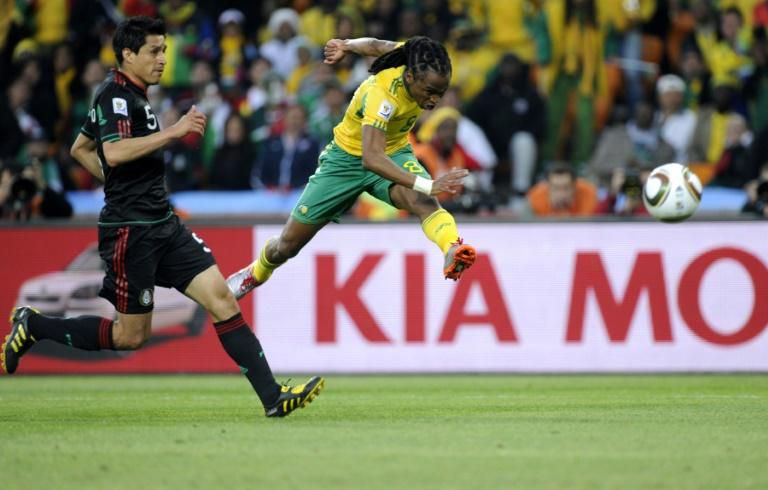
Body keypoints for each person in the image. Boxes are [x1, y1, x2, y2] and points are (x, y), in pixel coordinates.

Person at [1, 17, 323, 418]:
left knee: (221, 298)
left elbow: (80, 149)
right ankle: (35, 327)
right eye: (153, 51)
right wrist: (174, 132)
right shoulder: (114, 97)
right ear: (128, 54)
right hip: (130, 231)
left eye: (164, 51)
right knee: (130, 336)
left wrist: (116, 182)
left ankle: (273, 399)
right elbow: (114, 152)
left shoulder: (134, 96)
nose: (162, 59)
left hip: (162, 223)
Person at [227, 36, 477, 300]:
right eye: (429, 91)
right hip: (346, 161)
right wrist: (427, 183)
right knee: (287, 246)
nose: (434, 100)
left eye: (441, 91)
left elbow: (377, 45)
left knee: (425, 202)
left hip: (393, 151)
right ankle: (255, 273)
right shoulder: (384, 95)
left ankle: (452, 247)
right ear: (411, 77)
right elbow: (370, 158)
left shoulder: (412, 55)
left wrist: (347, 45)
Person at [527, 162, 598, 217]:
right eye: (556, 188)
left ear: (574, 187)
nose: (561, 193)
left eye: (566, 188)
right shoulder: (535, 197)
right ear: (548, 187)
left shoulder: (589, 194)